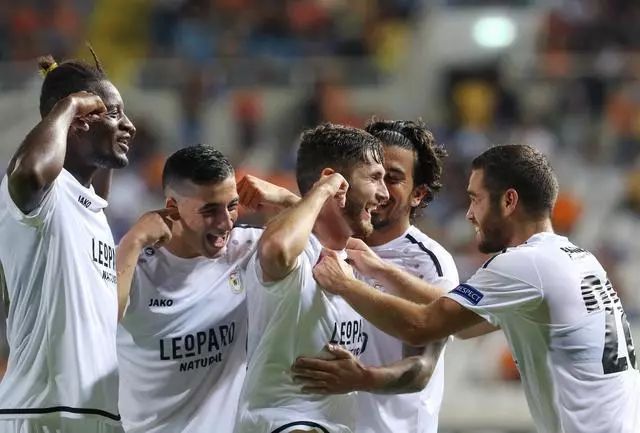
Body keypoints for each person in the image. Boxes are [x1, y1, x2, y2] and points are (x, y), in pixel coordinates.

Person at [313, 144, 640, 433]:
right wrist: (382, 270)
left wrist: (344, 284)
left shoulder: (525, 264)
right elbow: (465, 326)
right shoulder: (576, 258)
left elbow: (422, 326)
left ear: (509, 201)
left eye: (476, 199)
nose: (469, 214)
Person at [291, 120, 459, 433]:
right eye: (372, 175)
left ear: (418, 194)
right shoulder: (327, 244)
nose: (379, 190)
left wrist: (362, 378)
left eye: (392, 178)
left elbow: (422, 368)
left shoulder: (428, 262)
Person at [116, 145, 296, 433]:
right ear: (172, 207)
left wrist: (287, 199)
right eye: (210, 210)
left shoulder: (245, 249)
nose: (226, 222)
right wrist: (132, 241)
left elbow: (331, 240)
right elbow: (99, 326)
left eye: (232, 206)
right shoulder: (132, 263)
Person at [0, 50, 136, 432]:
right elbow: (29, 172)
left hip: (99, 414)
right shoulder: (45, 194)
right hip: (44, 412)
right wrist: (69, 103)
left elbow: (98, 189)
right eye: (115, 113)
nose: (129, 125)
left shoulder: (91, 209)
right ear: (78, 123)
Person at [234, 123, 389, 433]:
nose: (384, 194)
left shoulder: (354, 260)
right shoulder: (299, 255)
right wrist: (322, 190)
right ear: (334, 181)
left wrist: (286, 196)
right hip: (286, 422)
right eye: (374, 178)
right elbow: (277, 248)